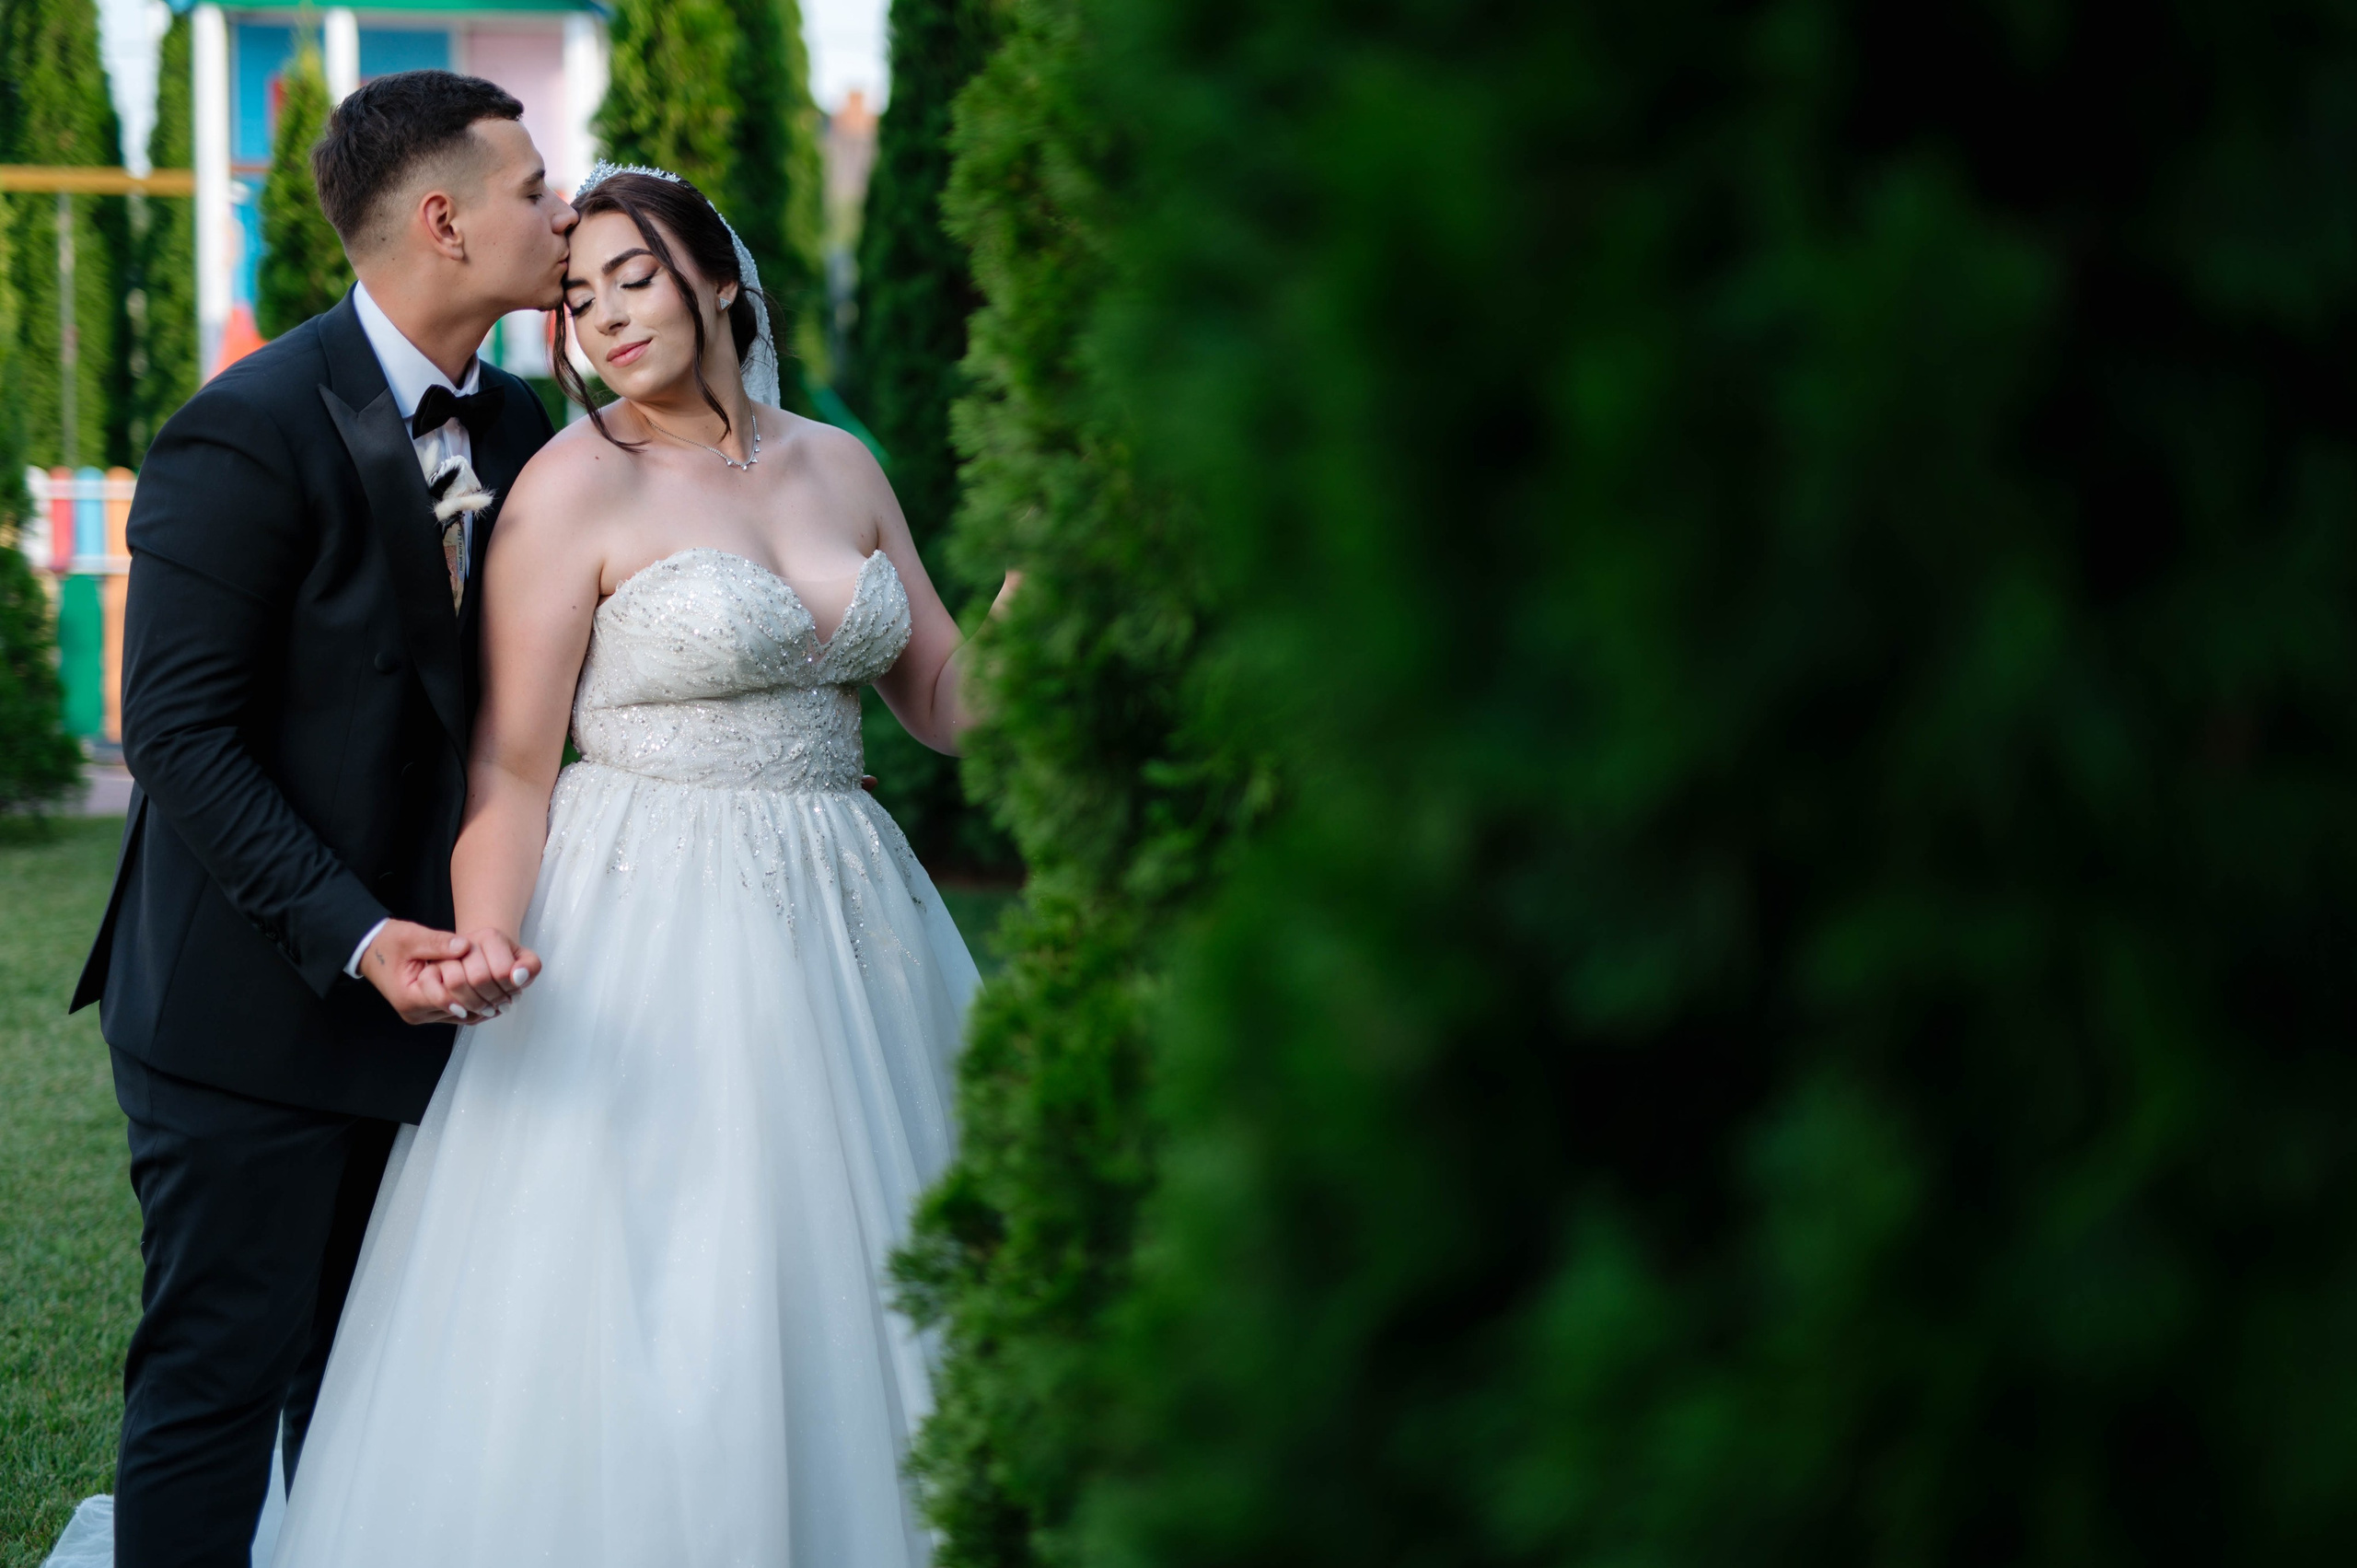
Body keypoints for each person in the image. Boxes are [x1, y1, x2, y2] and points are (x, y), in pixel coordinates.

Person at [262, 168, 988, 1565]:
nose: (603, 319)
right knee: (674, 1287)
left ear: (719, 278)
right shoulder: (568, 489)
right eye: (577, 297)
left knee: (873, 1268)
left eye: (632, 278)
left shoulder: (842, 465)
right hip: (647, 920)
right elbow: (512, 771)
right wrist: (486, 938)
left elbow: (946, 704)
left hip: (850, 916)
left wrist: (1038, 614)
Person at [68, 71, 576, 1568]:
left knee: (372, 1394)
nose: (561, 210)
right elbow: (178, 734)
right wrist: (358, 937)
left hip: (442, 1014)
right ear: (443, 219)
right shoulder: (245, 430)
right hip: (248, 1009)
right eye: (534, 188)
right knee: (221, 1382)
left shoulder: (526, 419)